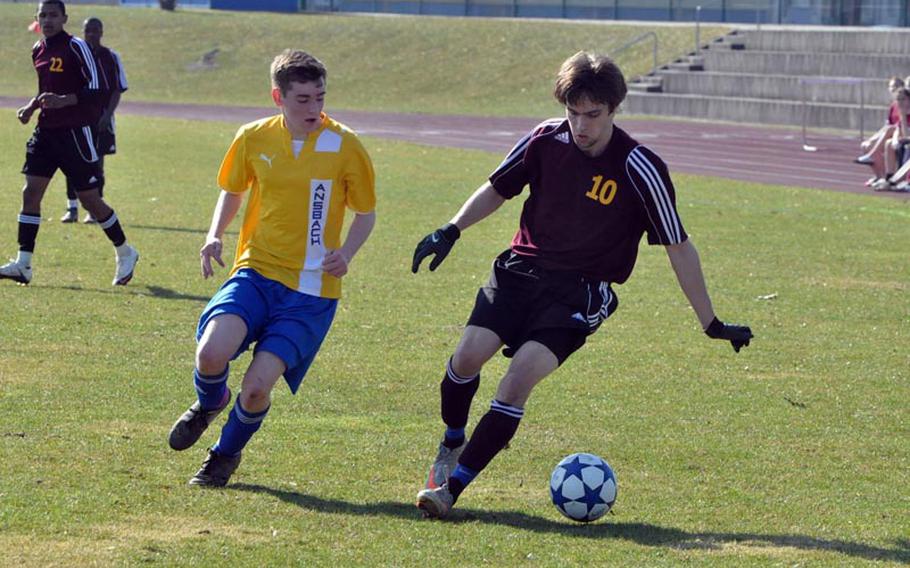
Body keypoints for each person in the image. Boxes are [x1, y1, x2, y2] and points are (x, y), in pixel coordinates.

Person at [411, 51, 753, 519]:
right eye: (574, 113)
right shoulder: (544, 139)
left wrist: (710, 322)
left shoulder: (639, 167)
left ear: (613, 109)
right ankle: (452, 440)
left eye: (593, 114)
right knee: (466, 357)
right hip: (518, 271)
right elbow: (497, 186)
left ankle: (450, 490)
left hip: (579, 291)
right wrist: (450, 229)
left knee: (515, 383)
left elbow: (678, 245)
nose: (581, 125)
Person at [166, 49, 376, 487]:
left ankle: (223, 455)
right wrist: (214, 235)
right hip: (256, 271)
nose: (314, 108)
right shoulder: (253, 137)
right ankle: (209, 403)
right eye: (302, 99)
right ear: (277, 97)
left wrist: (347, 254)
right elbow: (232, 190)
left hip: (311, 292)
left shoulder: (345, 145)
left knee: (258, 387)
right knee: (210, 352)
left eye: (319, 97)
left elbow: (366, 213)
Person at [1, 0, 139, 286]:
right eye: (43, 15)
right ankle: (23, 264)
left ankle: (125, 251)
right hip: (46, 133)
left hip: (76, 133)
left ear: (64, 17)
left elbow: (98, 88)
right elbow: (44, 90)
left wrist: (65, 101)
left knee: (90, 199)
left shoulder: (77, 47)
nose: (48, 19)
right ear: (37, 18)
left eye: (53, 15)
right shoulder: (38, 49)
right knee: (30, 193)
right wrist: (31, 107)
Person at [61, 17, 128, 224]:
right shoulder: (74, 55)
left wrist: (107, 116)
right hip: (76, 118)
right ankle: (72, 208)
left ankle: (94, 210)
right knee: (72, 163)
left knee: (97, 165)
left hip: (101, 120)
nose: (91, 34)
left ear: (102, 32)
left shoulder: (111, 57)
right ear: (83, 31)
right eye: (88, 30)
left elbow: (117, 89)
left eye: (95, 30)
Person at [857, 76, 903, 187]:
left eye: (896, 86)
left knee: (889, 135)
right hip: (891, 133)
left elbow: (899, 126)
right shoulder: (893, 106)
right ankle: (879, 176)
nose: (893, 89)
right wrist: (872, 138)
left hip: (899, 134)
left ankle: (885, 174)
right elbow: (887, 125)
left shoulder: (905, 104)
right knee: (866, 145)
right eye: (891, 86)